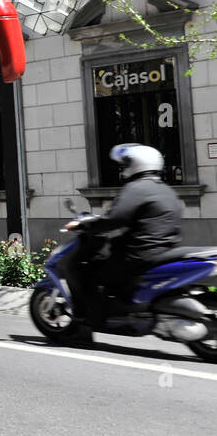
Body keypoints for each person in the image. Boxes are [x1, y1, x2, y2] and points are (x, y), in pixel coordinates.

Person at [63, 143, 185, 335]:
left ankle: (86, 324)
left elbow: (114, 219)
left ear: (136, 164)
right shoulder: (166, 190)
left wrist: (85, 225)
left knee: (88, 273)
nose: (123, 167)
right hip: (163, 251)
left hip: (138, 255)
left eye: (126, 163)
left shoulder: (136, 188)